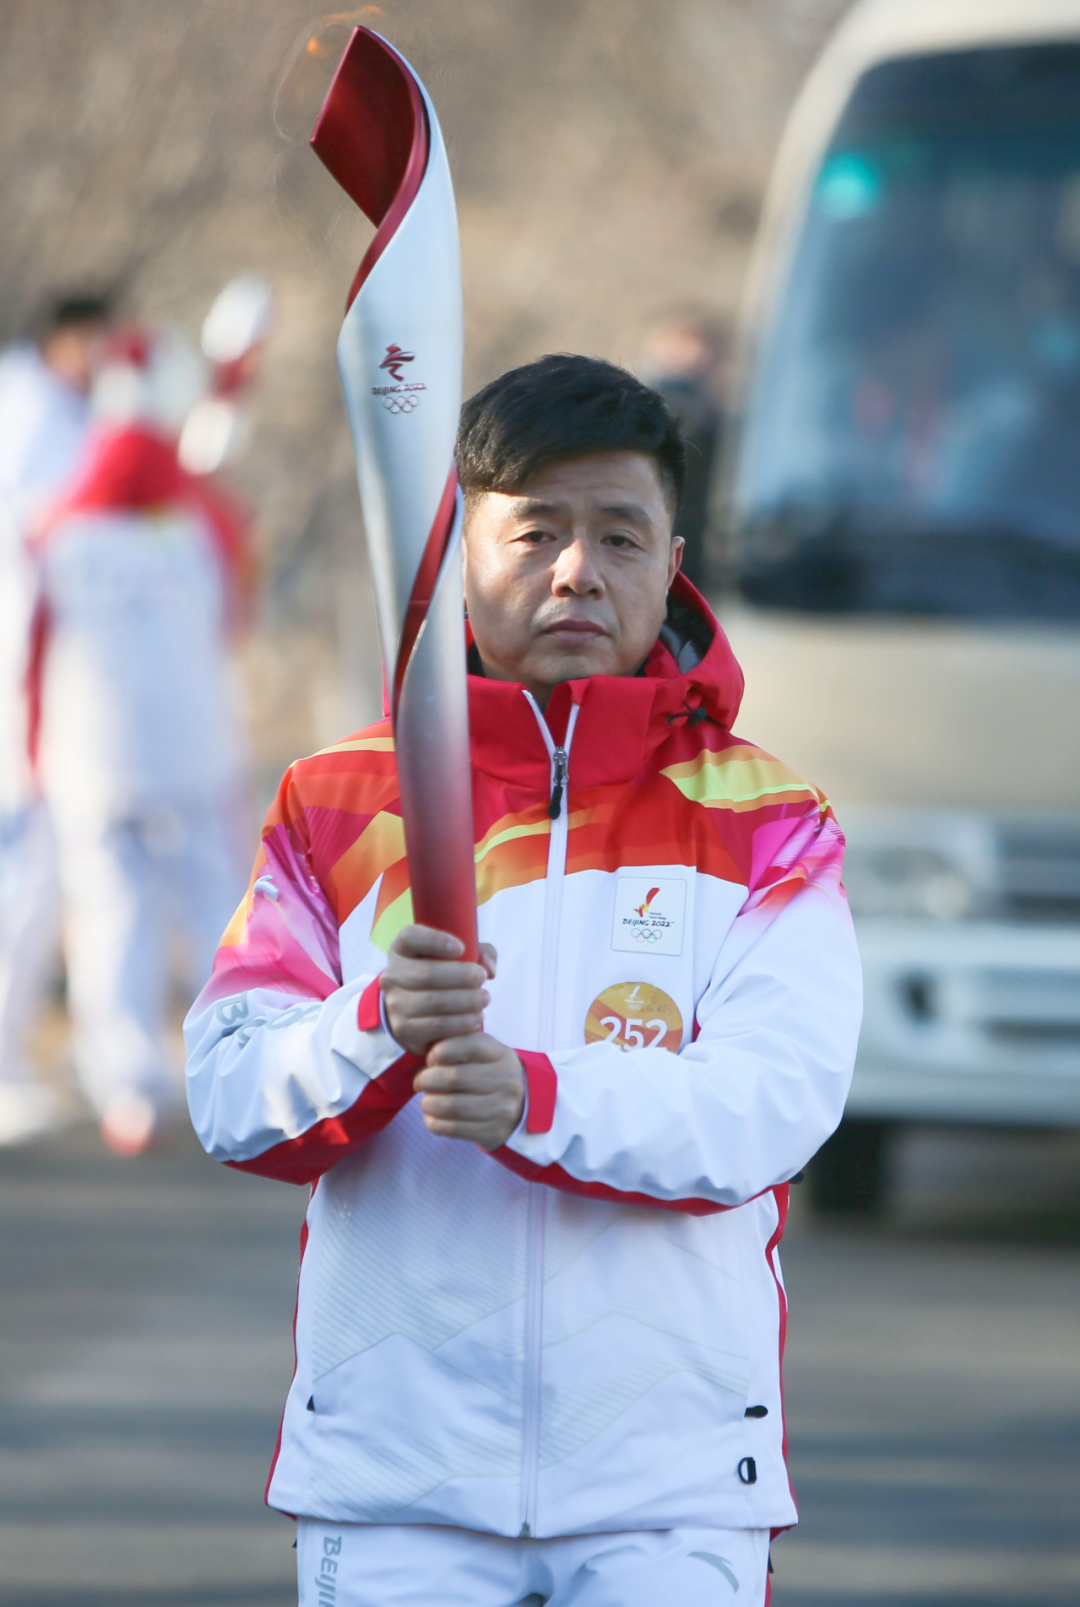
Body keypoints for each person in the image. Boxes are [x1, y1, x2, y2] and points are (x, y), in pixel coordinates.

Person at [185, 355, 862, 1607]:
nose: (575, 570)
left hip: (669, 1489)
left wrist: (531, 1098)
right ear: (457, 553)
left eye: (619, 534)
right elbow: (232, 1090)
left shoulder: (768, 816)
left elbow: (774, 1102)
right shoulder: (339, 799)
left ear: (672, 561)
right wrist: (373, 1025)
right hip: (398, 1479)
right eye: (536, 530)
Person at [35, 324, 252, 1154]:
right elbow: (240, 617)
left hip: (90, 755)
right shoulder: (207, 522)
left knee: (111, 912)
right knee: (213, 905)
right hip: (192, 748)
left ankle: (127, 1085)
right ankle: (223, 1067)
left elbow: (28, 647)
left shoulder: (53, 525)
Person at [0, 292, 112, 1145]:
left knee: (52, 875)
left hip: (67, 681)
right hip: (21, 679)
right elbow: (40, 533)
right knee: (24, 878)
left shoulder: (81, 409)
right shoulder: (26, 406)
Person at [641, 310, 727, 591]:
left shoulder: (720, 417)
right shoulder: (635, 412)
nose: (689, 356)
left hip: (698, 542)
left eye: (697, 346)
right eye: (679, 344)